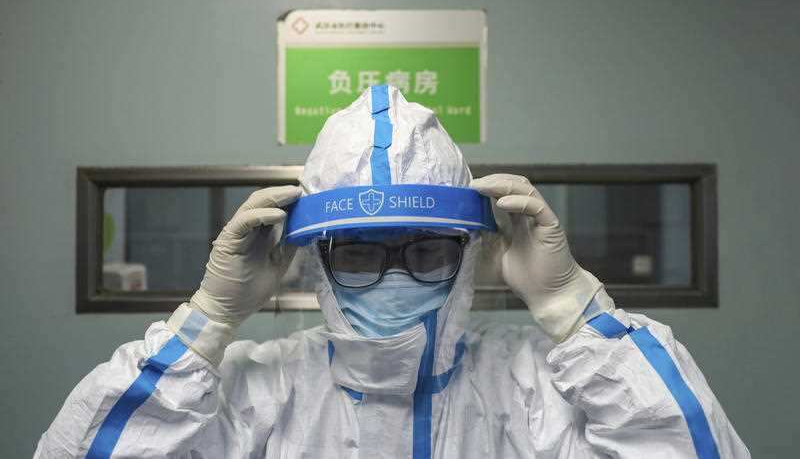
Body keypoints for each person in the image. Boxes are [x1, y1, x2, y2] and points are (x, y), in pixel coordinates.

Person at [36, 86, 749, 458]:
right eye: (359, 252)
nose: (394, 277)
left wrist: (572, 307)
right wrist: (206, 325)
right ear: (317, 263)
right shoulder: (259, 389)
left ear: (469, 256)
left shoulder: (535, 384)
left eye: (426, 250)